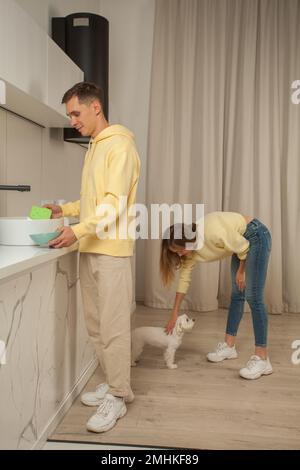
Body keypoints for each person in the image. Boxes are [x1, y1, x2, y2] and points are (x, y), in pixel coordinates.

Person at [44, 81, 140, 432]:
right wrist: (65, 209)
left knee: (113, 327)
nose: (72, 120)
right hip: (91, 247)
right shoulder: (95, 147)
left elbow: (114, 204)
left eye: (75, 112)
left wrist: (78, 230)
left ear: (95, 106)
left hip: (111, 251)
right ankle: (115, 384)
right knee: (97, 326)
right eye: (70, 114)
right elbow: (93, 202)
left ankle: (118, 394)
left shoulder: (120, 146)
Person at [161, 212, 272, 380]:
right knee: (237, 294)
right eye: (176, 252)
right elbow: (184, 280)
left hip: (255, 235)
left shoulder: (210, 232)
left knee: (253, 296)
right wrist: (174, 312)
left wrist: (241, 272)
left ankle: (263, 359)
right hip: (240, 240)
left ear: (187, 240)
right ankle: (229, 347)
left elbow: (243, 247)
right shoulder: (189, 251)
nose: (180, 255)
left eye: (180, 250)